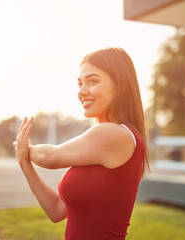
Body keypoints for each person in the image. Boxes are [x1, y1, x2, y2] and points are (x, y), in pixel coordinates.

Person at [15, 47, 149, 240]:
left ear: (121, 86)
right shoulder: (102, 146)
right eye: (80, 84)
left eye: (92, 81)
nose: (82, 91)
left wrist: (24, 148)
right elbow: (56, 211)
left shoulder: (114, 134)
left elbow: (49, 157)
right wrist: (25, 163)